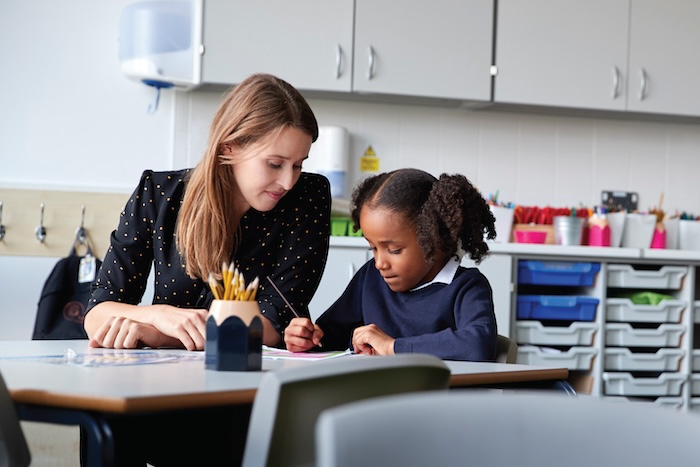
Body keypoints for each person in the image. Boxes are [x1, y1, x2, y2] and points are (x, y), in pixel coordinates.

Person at [82, 73, 331, 466]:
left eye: (298, 164)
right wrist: (157, 315)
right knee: (106, 426)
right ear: (230, 147)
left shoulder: (308, 199)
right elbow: (98, 312)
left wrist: (151, 333)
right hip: (157, 394)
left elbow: (271, 323)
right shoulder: (158, 193)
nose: (288, 180)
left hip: (245, 398)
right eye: (274, 163)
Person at [284, 168, 498, 361]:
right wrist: (306, 338)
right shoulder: (370, 279)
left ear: (437, 239)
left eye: (393, 250)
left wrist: (392, 347)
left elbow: (478, 344)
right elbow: (328, 338)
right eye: (373, 248)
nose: (379, 263)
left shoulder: (465, 286)